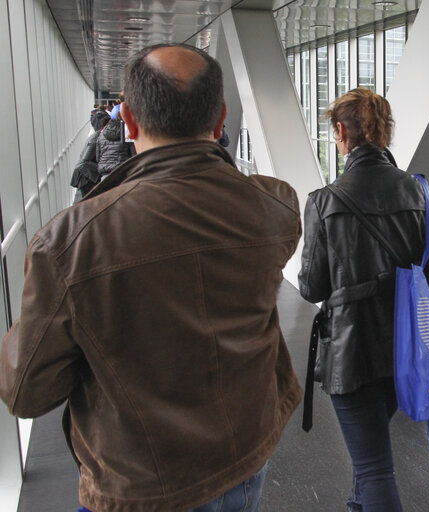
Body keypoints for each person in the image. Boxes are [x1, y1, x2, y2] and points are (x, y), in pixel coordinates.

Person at [0, 43, 303, 511]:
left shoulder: (69, 243)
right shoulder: (276, 206)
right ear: (221, 120)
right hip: (247, 450)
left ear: (129, 120)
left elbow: (27, 392)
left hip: (142, 483)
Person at [298, 87, 429, 511]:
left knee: (376, 469)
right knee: (370, 463)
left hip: (353, 353)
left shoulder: (325, 202)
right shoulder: (421, 193)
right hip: (408, 350)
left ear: (342, 132)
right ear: (384, 132)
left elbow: (312, 287)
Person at [70, 109, 111, 203]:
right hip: (86, 178)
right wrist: (101, 169)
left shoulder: (96, 136)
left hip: (87, 177)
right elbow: (83, 162)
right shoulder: (95, 139)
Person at [96, 99, 136, 179]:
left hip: (105, 171)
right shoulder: (126, 134)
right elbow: (133, 154)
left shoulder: (101, 134)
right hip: (122, 171)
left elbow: (98, 156)